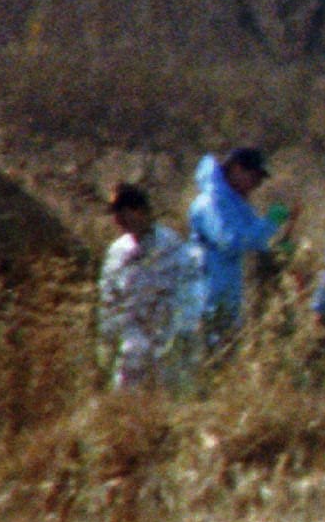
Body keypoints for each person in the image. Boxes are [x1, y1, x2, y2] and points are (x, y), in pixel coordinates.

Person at [96, 183, 196, 390]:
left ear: (140, 211)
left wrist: (183, 330)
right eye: (115, 215)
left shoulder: (171, 245)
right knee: (125, 396)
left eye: (122, 213)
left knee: (168, 395)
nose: (118, 221)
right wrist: (107, 335)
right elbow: (109, 295)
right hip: (132, 340)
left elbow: (190, 289)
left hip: (167, 336)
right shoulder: (118, 251)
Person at [186, 147, 290, 344]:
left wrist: (279, 248)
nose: (257, 185)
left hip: (228, 300)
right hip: (205, 299)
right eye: (254, 177)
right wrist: (270, 223)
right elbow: (231, 241)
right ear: (236, 168)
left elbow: (255, 238)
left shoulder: (236, 204)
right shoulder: (211, 202)